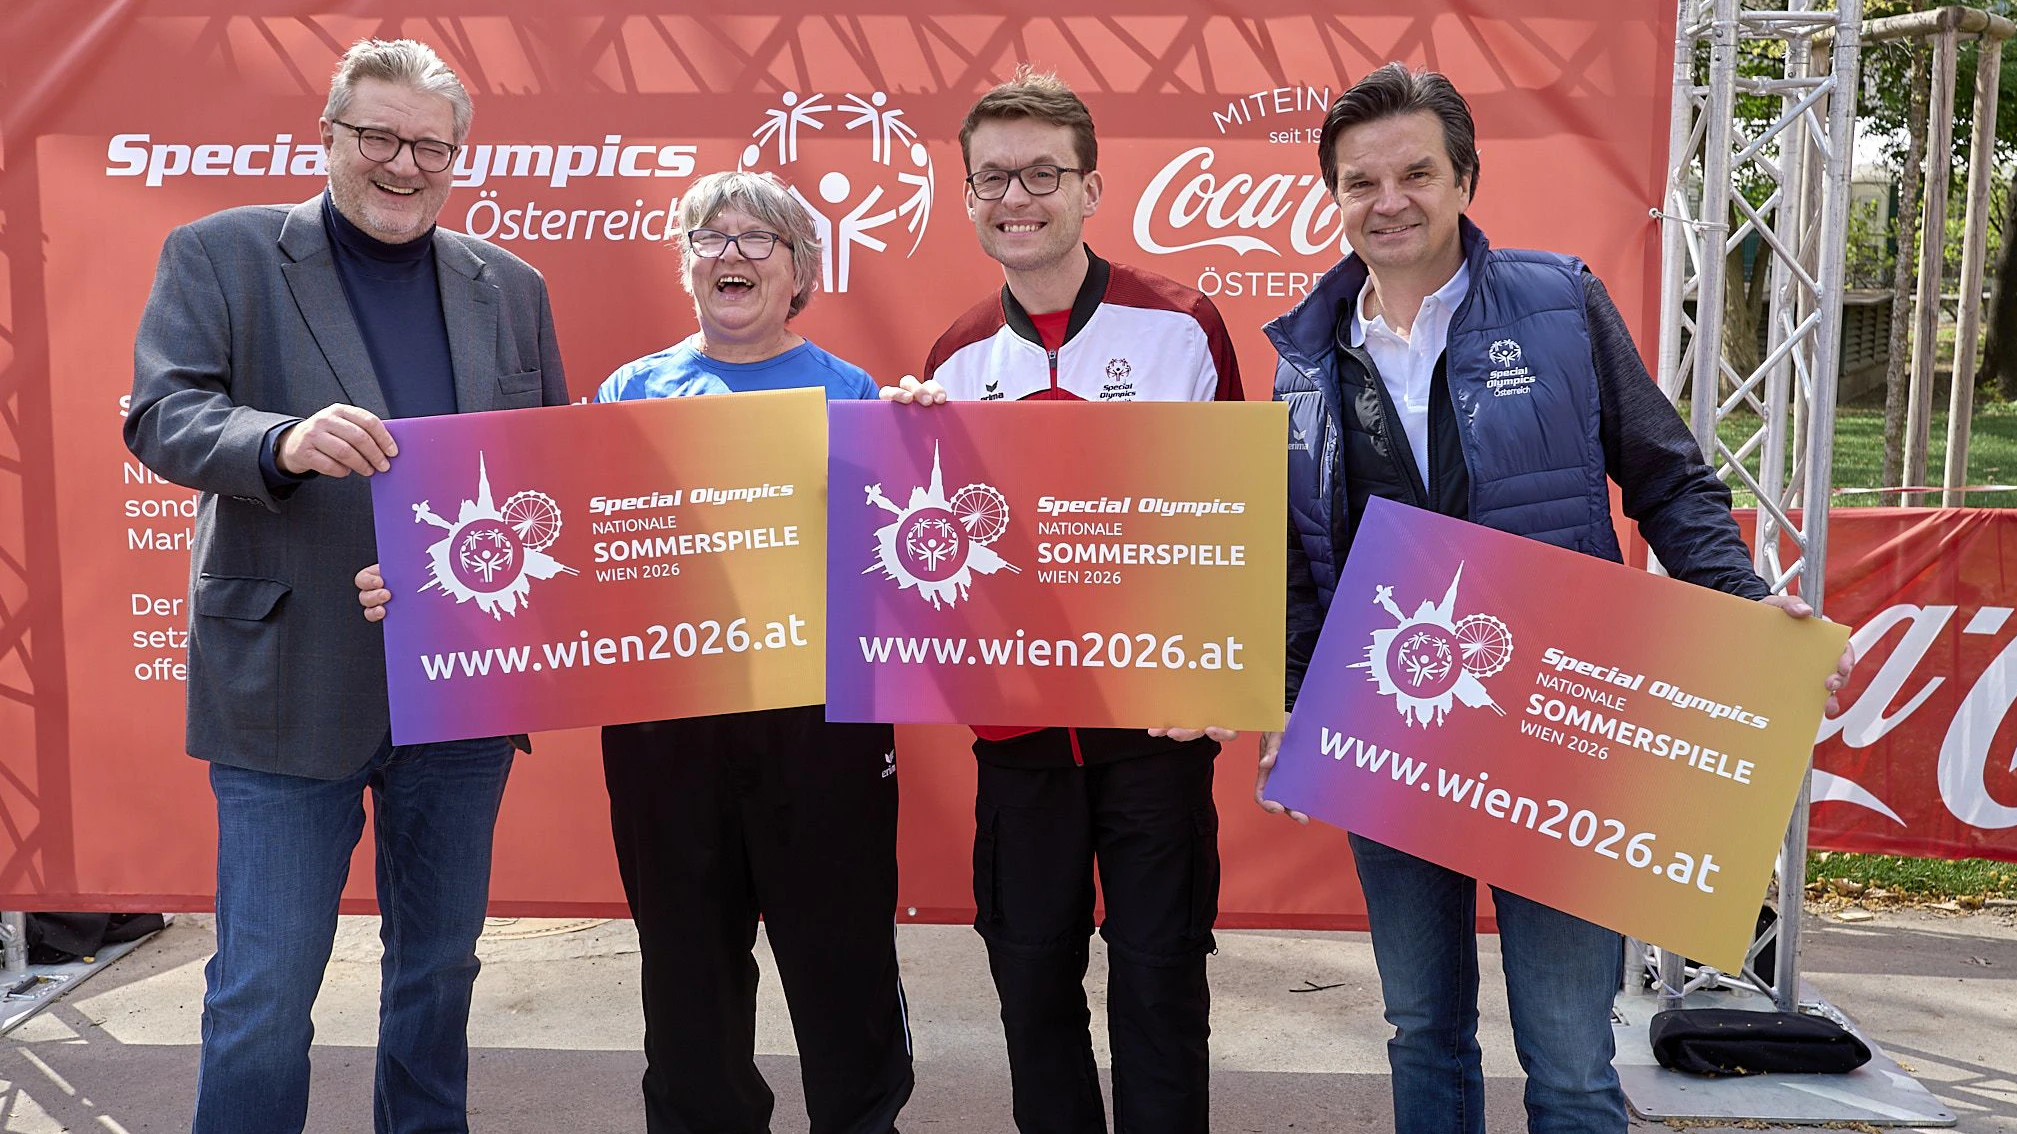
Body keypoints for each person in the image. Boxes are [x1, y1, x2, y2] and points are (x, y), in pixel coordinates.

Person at [1254, 63, 1858, 1134]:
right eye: (1358, 182)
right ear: (1333, 197)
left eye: (1414, 173)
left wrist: (1741, 601)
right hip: (1391, 712)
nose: (1386, 200)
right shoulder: (1305, 356)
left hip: (1559, 717)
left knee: (1572, 1057)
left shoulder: (1559, 300)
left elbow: (1666, 474)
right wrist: (1298, 703)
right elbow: (1301, 562)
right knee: (1420, 1029)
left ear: (1465, 179)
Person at [362, 170, 914, 1134]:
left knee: (843, 959)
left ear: (801, 273)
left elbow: (886, 557)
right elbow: (565, 555)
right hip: (667, 731)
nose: (731, 254)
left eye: (759, 240)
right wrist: (420, 586)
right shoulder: (628, 393)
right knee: (686, 968)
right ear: (687, 265)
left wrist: (924, 446)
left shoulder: (850, 392)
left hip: (817, 725)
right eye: (711, 236)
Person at [124, 38, 567, 1134]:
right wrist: (280, 440)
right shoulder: (219, 254)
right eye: (378, 136)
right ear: (326, 136)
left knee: (438, 976)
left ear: (458, 156)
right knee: (264, 996)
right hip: (289, 680)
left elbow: (546, 473)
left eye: (430, 145)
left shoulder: (508, 287)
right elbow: (161, 415)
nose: (403, 164)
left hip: (458, 688)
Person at [882, 68, 1241, 1134]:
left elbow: (1226, 522)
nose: (1018, 196)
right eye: (993, 176)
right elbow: (929, 559)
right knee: (1031, 989)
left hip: (1152, 740)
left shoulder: (1180, 324)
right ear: (966, 197)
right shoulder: (951, 357)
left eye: (1044, 172)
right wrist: (898, 458)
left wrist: (1220, 666)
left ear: (1091, 187)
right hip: (1018, 742)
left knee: (1159, 988)